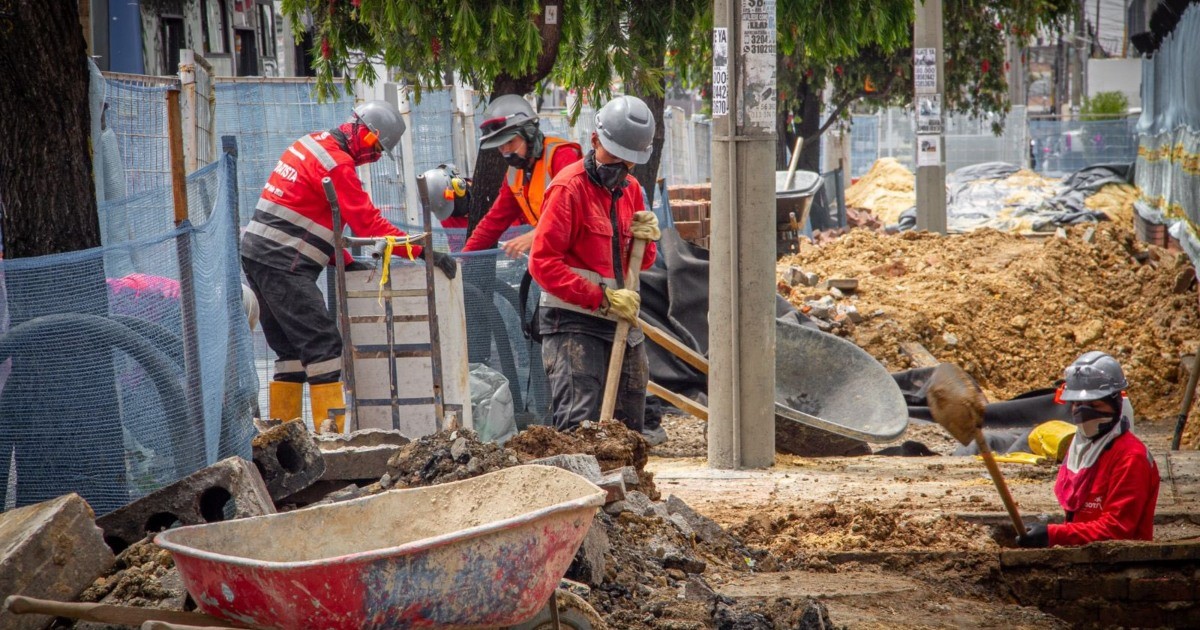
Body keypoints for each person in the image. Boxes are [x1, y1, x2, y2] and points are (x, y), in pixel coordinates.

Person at [241, 100, 457, 432]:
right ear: (358, 127)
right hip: (283, 262)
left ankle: (280, 441)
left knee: (290, 352)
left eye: (379, 151)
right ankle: (333, 443)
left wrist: (345, 261)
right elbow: (368, 225)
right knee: (324, 347)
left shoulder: (310, 144)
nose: (373, 155)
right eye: (373, 145)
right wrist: (423, 251)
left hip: (259, 254)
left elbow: (311, 215)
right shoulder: (338, 164)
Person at [529, 94, 663, 440]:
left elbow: (638, 264)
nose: (620, 167)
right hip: (573, 321)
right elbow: (542, 264)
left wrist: (646, 242)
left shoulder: (630, 189)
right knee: (580, 426)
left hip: (620, 322)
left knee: (629, 427)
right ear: (595, 141)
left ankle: (627, 492)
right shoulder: (568, 188)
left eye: (629, 162)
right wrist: (601, 297)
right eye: (614, 156)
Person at [1016, 351, 1160, 548]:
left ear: (1116, 403)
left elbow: (1117, 530)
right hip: (1085, 557)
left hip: (1122, 567)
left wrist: (1053, 534)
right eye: (1077, 404)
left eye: (1094, 404)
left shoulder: (1131, 458)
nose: (1083, 412)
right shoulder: (1082, 448)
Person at [461, 94, 583, 257]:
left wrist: (534, 236)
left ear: (529, 133)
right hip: (558, 255)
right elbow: (494, 221)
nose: (505, 151)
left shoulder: (562, 156)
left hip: (585, 253)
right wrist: (463, 257)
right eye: (500, 146)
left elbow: (574, 213)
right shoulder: (515, 174)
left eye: (510, 142)